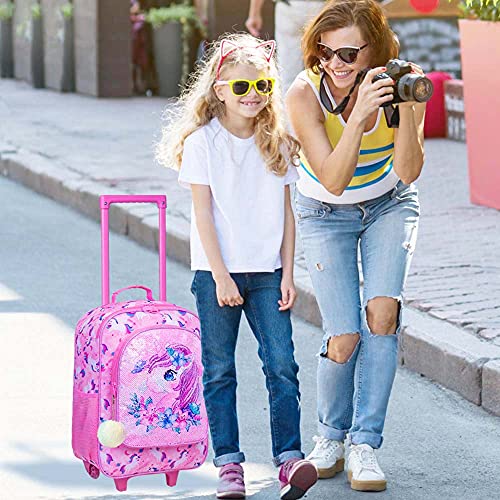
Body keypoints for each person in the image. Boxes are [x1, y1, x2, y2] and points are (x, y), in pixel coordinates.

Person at [156, 33, 318, 500]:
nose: (254, 96)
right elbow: (203, 214)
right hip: (216, 275)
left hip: (268, 273)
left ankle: (289, 458)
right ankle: (229, 465)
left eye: (263, 85)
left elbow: (287, 214)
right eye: (243, 87)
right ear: (220, 89)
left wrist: (289, 273)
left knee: (282, 365)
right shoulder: (203, 143)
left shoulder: (279, 143)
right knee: (220, 370)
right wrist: (221, 274)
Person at [285, 0, 425, 492]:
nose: (335, 63)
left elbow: (408, 170)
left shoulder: (402, 83)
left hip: (390, 203)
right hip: (325, 213)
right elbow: (334, 179)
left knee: (382, 313)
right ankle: (330, 437)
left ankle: (365, 444)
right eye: (325, 51)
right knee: (343, 335)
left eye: (347, 52)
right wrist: (358, 113)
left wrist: (402, 107)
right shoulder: (304, 94)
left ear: (374, 52)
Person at [246, 0, 324, 92]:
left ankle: (288, 105)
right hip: (322, 7)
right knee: (325, 71)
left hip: (289, 7)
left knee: (287, 77)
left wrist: (254, 14)